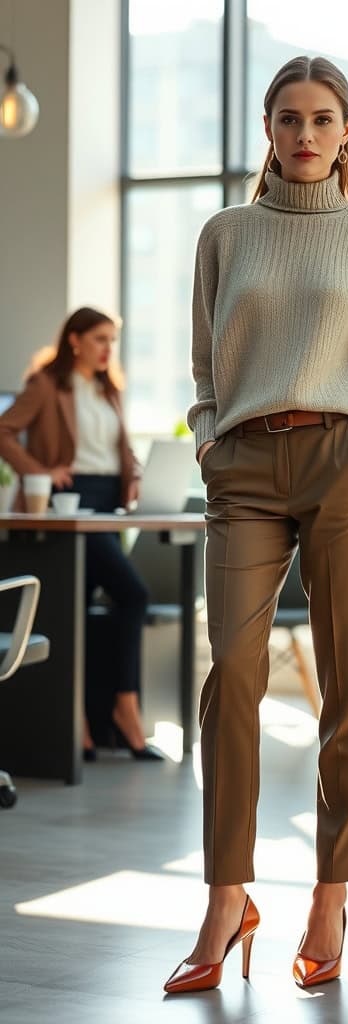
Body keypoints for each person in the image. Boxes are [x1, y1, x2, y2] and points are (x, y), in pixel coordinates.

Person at [163, 55, 348, 995]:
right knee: (233, 670)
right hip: (241, 466)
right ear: (266, 130)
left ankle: (328, 895)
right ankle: (228, 897)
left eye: (322, 119)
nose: (304, 136)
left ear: (347, 129)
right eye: (287, 120)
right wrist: (205, 437)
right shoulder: (225, 233)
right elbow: (204, 362)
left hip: (342, 463)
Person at [0, 306, 163, 762]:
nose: (108, 348)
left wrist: (133, 472)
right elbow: (4, 431)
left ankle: (87, 725)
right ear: (75, 340)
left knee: (84, 612)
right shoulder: (47, 386)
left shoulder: (110, 390)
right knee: (132, 594)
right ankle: (124, 712)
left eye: (112, 340)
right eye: (100, 339)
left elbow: (118, 447)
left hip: (108, 504)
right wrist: (42, 473)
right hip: (69, 505)